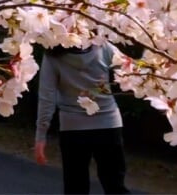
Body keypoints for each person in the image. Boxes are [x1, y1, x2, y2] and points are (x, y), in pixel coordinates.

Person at [34, 44, 129, 194]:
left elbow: (47, 98)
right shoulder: (103, 46)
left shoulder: (53, 54)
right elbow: (131, 74)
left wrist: (41, 136)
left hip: (73, 128)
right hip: (108, 123)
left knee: (75, 187)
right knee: (115, 186)